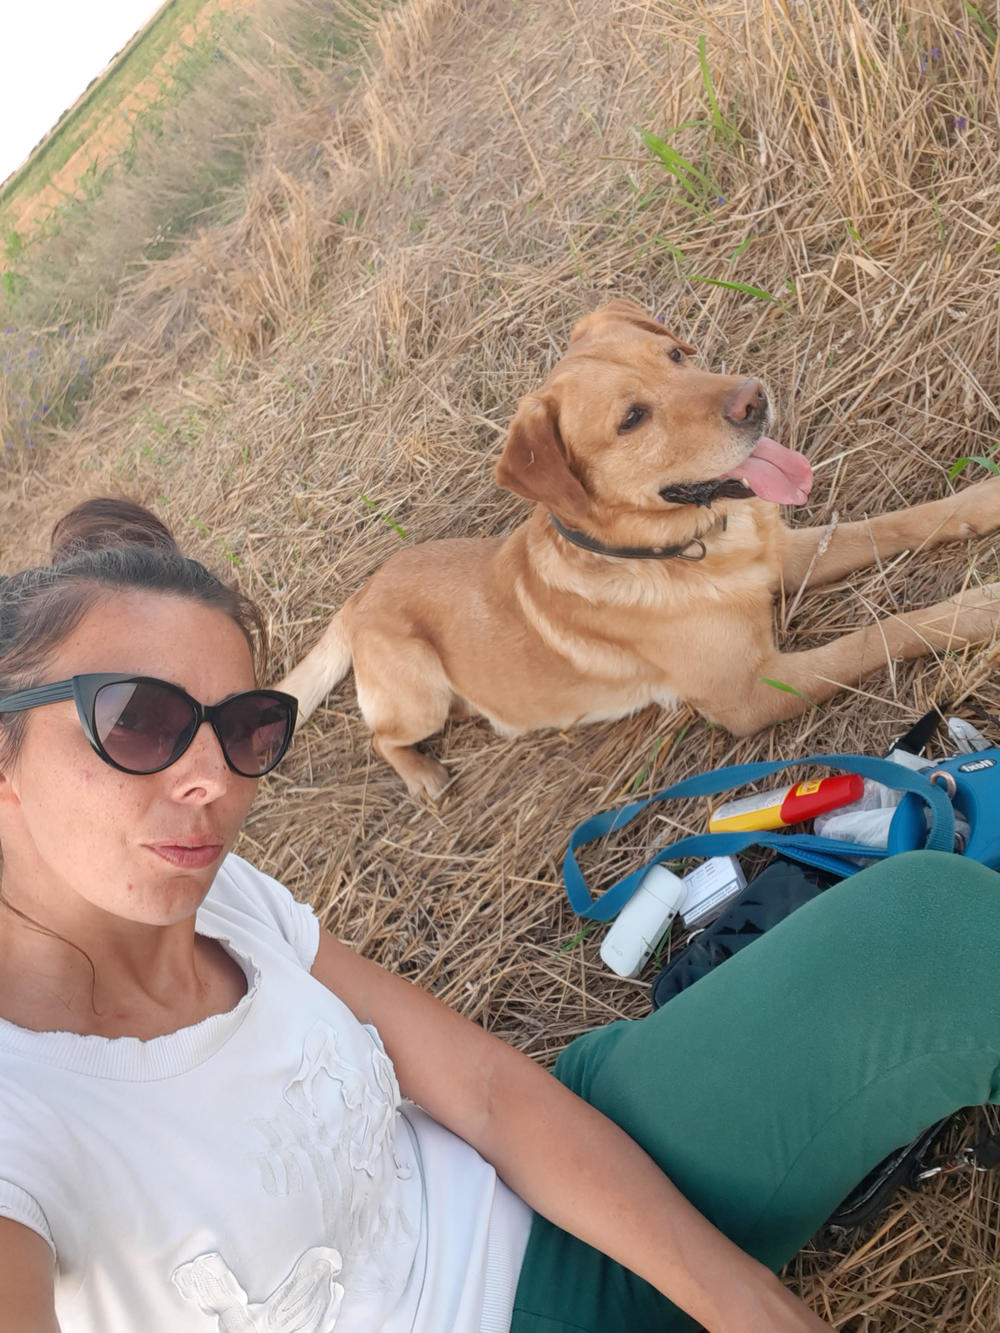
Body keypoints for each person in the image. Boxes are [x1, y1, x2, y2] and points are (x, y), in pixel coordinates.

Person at [1, 497, 998, 1333]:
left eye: (242, 727)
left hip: (564, 1181)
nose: (213, 780)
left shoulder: (218, 891)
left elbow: (482, 1091)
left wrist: (738, 1298)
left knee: (931, 927)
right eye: (136, 720)